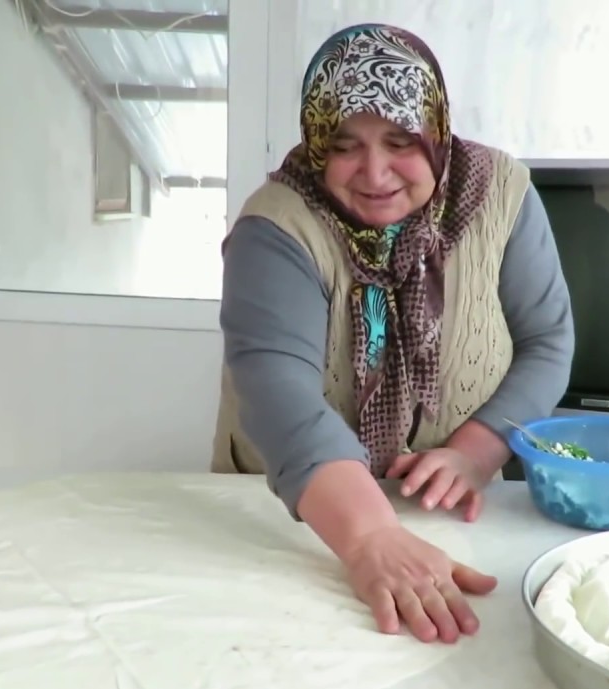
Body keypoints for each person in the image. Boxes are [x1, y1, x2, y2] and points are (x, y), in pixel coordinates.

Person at [210, 23, 574, 644]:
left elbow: (547, 340)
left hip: (455, 508)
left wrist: (476, 453)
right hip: (297, 518)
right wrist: (371, 537)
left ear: (435, 131)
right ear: (317, 141)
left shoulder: (503, 195)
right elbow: (277, 391)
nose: (374, 173)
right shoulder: (277, 226)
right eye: (345, 145)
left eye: (401, 141)